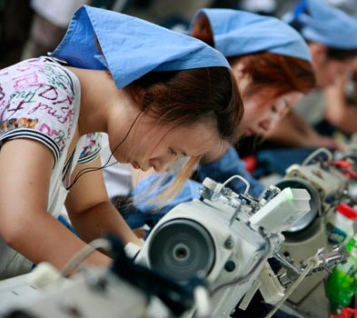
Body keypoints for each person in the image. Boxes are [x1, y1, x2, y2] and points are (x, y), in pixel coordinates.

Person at [0, 5, 243, 284]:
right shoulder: (48, 97)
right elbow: (23, 225)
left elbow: (90, 208)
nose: (162, 165)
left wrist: (143, 259)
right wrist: (131, 281)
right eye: (174, 150)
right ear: (148, 99)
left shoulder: (84, 120)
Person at [122, 8, 315, 231]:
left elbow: (231, 171)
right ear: (243, 72)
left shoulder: (209, 116)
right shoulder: (173, 90)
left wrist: (274, 207)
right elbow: (152, 191)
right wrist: (236, 209)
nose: (269, 125)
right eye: (275, 108)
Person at [264, 0, 357, 148]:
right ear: (318, 53)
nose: (334, 83)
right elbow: (267, 126)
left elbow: (284, 112)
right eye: (339, 72)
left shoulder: (290, 68)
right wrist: (312, 143)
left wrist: (314, 137)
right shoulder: (274, 61)